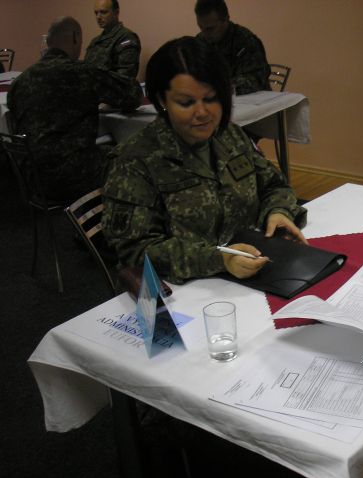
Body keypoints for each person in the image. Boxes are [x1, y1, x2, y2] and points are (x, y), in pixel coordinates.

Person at [102, 36, 306, 284]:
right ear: (162, 100)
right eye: (186, 102)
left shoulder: (229, 136)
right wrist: (219, 260)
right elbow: (135, 251)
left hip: (251, 271)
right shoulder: (135, 161)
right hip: (185, 288)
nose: (202, 113)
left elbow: (273, 186)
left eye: (211, 98)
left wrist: (277, 211)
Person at [7, 16, 141, 201]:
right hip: (74, 174)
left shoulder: (19, 82)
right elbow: (132, 95)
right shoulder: (80, 73)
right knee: (136, 157)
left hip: (33, 178)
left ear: (48, 42)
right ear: (75, 38)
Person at [195, 0, 270, 95]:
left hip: (253, 100)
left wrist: (219, 87)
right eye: (201, 27)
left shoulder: (245, 41)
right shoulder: (200, 42)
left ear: (226, 20)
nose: (205, 33)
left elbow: (257, 79)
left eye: (210, 28)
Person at [85, 0, 141, 79]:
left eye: (103, 12)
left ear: (116, 13)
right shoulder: (95, 41)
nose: (98, 17)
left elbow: (124, 77)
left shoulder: (126, 38)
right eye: (96, 13)